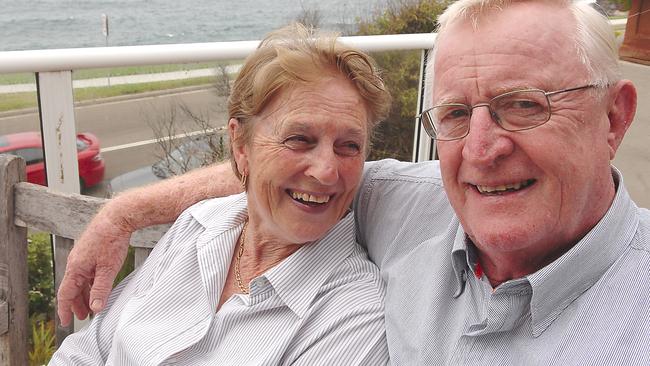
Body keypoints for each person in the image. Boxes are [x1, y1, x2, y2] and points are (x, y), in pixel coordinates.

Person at [59, 0, 650, 364]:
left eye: (525, 105)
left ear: (614, 118)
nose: (481, 150)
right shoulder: (420, 201)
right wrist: (124, 212)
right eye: (452, 115)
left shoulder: (352, 310)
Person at [50, 24, 392, 365]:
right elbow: (88, 350)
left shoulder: (353, 313)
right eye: (299, 139)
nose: (327, 171)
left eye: (349, 146)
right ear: (241, 145)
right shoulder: (198, 225)